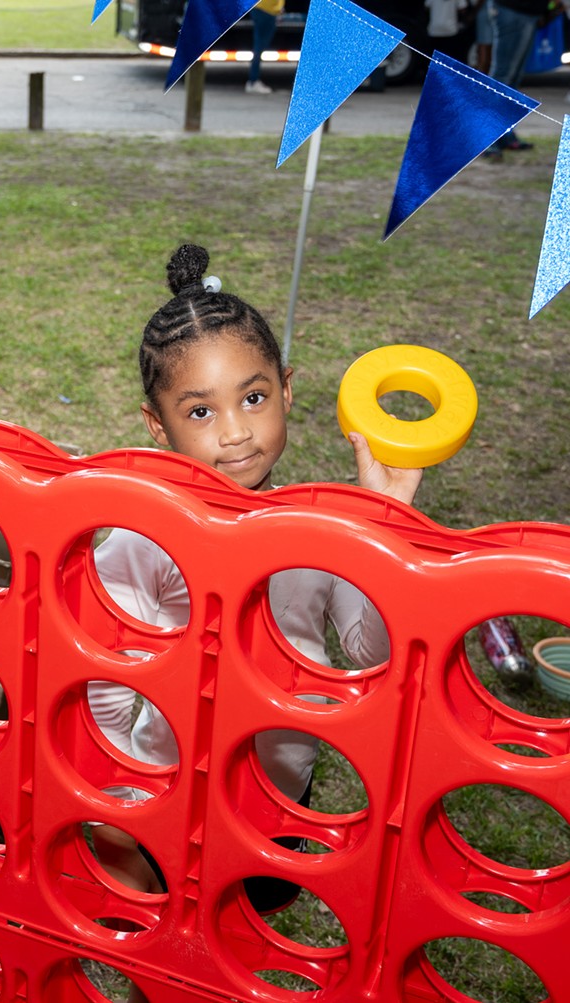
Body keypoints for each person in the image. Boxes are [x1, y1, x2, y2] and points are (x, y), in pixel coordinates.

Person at [86, 244, 422, 917]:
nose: (237, 433)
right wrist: (123, 802)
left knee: (247, 926)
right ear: (159, 425)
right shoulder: (144, 538)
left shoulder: (326, 529)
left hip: (280, 792)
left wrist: (389, 525)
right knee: (165, 930)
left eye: (255, 396)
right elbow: (104, 684)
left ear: (288, 389)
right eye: (202, 412)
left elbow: (369, 650)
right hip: (166, 788)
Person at [485, 0, 564, 155]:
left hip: (527, 12)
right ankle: (489, 139)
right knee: (503, 76)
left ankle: (505, 135)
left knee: (512, 77)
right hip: (512, 9)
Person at [246, 0, 282, 95]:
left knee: (258, 45)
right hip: (268, 10)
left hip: (258, 8)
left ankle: (253, 80)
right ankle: (253, 80)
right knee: (260, 46)